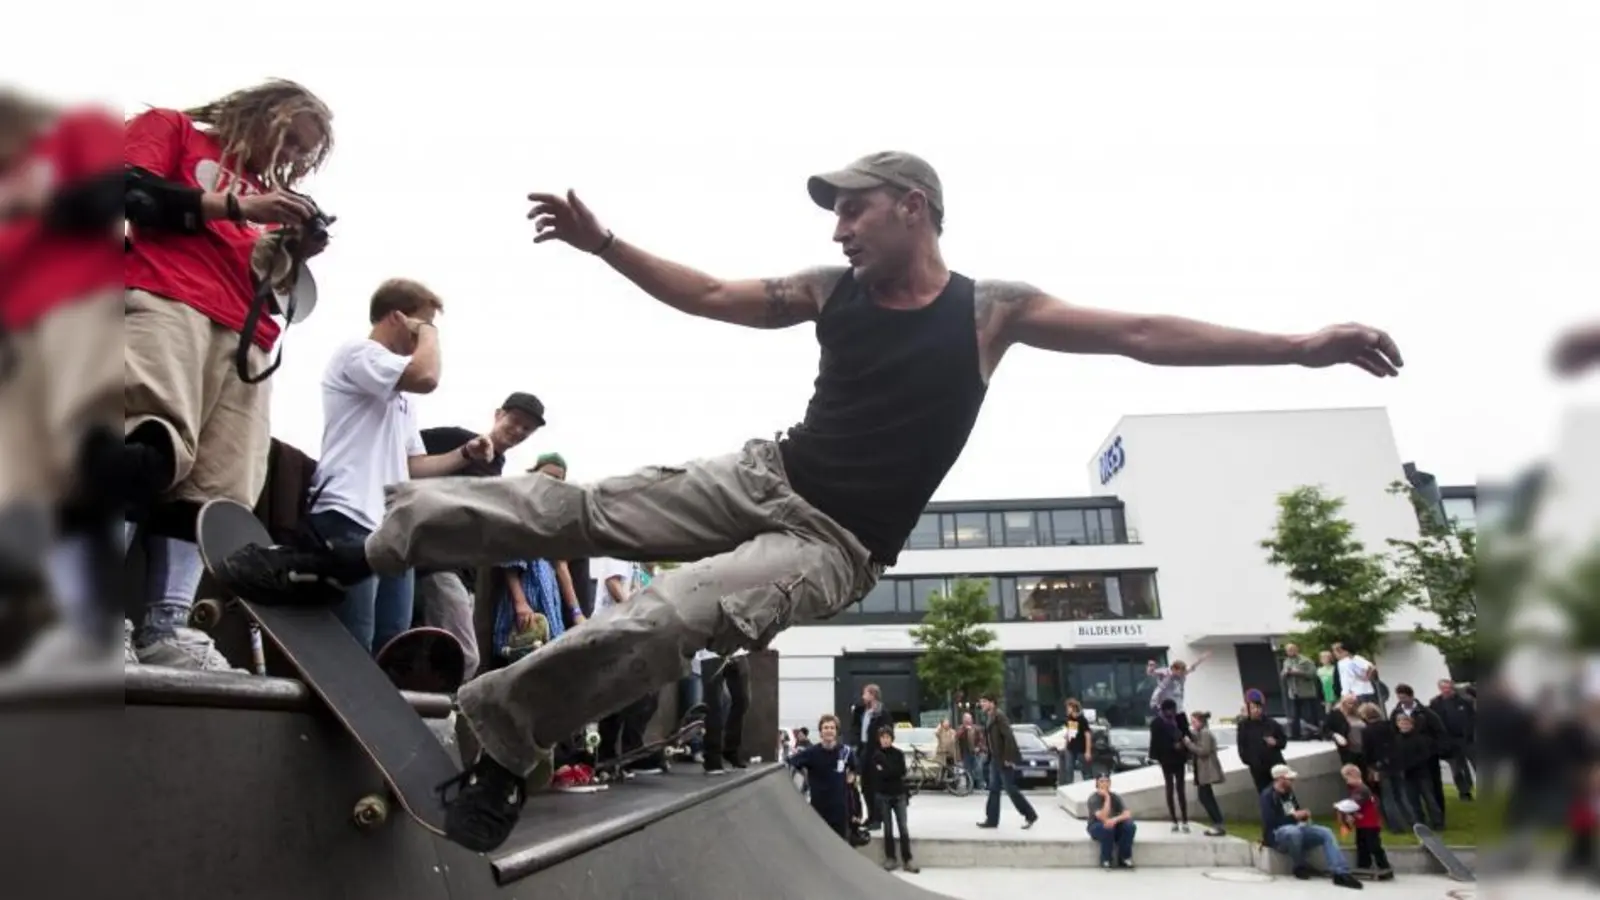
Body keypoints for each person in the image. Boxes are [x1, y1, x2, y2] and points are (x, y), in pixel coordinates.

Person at [215, 151, 1404, 852]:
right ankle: (349, 555)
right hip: (765, 474)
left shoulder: (991, 311)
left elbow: (1143, 332)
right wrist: (606, 243)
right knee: (553, 508)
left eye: (854, 209)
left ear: (916, 211)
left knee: (663, 622)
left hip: (833, 545)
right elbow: (716, 295)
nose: (836, 229)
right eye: (833, 216)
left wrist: (1299, 345)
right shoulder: (830, 288)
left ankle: (501, 743)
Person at [123, 79, 334, 669]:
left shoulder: (271, 198)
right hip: (167, 298)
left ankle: (166, 626)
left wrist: (294, 248)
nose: (289, 157)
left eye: (302, 152)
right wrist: (239, 206)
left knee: (214, 490)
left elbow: (270, 285)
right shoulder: (175, 129)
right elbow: (125, 191)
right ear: (258, 113)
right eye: (288, 137)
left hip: (245, 335)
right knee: (146, 441)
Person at [0, 93, 122, 665]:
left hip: (76, 312)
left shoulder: (74, 135)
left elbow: (111, 194)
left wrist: (41, 205)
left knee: (84, 462)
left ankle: (94, 620)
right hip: (19, 338)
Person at [310, 279, 494, 655]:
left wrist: (465, 454)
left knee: (393, 643)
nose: (424, 336)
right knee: (352, 643)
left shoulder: (400, 393)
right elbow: (427, 376)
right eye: (421, 324)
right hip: (348, 513)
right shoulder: (358, 353)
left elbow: (415, 466)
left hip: (391, 529)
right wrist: (429, 332)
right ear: (398, 318)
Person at [417, 393, 546, 678]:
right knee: (464, 656)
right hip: (438, 564)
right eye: (515, 421)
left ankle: (424, 714)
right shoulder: (459, 438)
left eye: (528, 429)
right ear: (498, 414)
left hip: (468, 574)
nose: (519, 431)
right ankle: (437, 717)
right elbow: (405, 448)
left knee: (435, 651)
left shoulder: (497, 469)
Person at [1259, 764, 1365, 889]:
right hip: (1277, 835)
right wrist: (1294, 817)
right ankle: (1300, 866)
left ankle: (1340, 872)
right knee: (1293, 832)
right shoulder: (1267, 796)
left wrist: (1303, 816)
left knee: (1325, 832)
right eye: (1290, 779)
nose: (1293, 781)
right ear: (1280, 779)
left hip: (1296, 828)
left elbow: (1294, 812)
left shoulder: (1289, 794)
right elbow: (1271, 822)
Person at [975, 693, 1038, 830]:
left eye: (984, 702)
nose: (982, 705)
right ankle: (991, 820)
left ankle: (1030, 815)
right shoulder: (990, 717)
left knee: (1011, 789)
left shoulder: (999, 716)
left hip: (1003, 759)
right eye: (981, 702)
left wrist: (1009, 758)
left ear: (992, 703)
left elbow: (1009, 737)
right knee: (993, 789)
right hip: (994, 759)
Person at [788, 714, 856, 839]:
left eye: (832, 728)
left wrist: (851, 777)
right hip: (818, 810)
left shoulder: (845, 751)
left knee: (839, 847)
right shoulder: (811, 753)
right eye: (825, 728)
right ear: (820, 732)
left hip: (839, 810)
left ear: (836, 731)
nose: (829, 730)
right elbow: (790, 763)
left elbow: (854, 768)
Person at [870, 726, 919, 873]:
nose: (885, 740)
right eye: (882, 737)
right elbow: (877, 775)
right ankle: (890, 858)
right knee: (888, 829)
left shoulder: (898, 754)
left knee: (903, 827)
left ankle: (907, 859)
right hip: (883, 795)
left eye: (887, 737)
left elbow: (900, 772)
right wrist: (889, 770)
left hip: (899, 795)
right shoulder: (876, 755)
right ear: (879, 739)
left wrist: (885, 768)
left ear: (892, 738)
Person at [1338, 763, 1394, 881]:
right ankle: (1363, 866)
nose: (1346, 782)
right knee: (1361, 845)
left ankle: (1384, 866)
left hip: (1370, 824)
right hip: (1362, 823)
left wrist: (1339, 807)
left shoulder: (1362, 790)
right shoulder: (1354, 789)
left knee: (1374, 845)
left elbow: (1353, 804)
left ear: (1353, 775)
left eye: (1346, 778)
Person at [1148, 697, 1191, 831]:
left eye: (1173, 710)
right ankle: (1173, 820)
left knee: (1181, 789)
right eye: (1169, 710)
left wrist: (1186, 750)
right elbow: (1155, 742)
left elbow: (1187, 734)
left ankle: (1184, 819)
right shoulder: (1156, 723)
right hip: (1166, 758)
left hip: (1179, 758)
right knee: (1169, 788)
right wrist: (1171, 747)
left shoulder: (1180, 719)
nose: (1171, 713)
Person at [849, 684, 888, 829]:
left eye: (865, 694)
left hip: (875, 750)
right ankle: (870, 816)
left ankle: (878, 818)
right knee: (865, 785)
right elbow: (855, 728)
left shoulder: (881, 713)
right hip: (863, 748)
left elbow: (887, 732)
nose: (862, 697)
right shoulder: (861, 711)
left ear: (873, 695)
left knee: (875, 786)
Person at [1183, 711, 1227, 836]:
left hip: (1207, 770)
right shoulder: (1201, 733)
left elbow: (1204, 751)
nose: (1193, 725)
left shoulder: (1205, 733)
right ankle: (1217, 823)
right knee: (1205, 797)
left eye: (1194, 722)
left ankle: (1218, 823)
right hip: (1203, 770)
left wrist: (1188, 744)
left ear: (1201, 722)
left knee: (1206, 797)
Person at [1237, 693, 1288, 792]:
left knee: (1284, 793)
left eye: (1258, 707)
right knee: (1265, 794)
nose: (1256, 710)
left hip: (1276, 766)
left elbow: (1283, 741)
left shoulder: (1272, 723)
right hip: (1258, 770)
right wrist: (1251, 762)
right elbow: (1242, 747)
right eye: (1253, 708)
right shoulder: (1243, 727)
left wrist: (1275, 742)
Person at [1085, 773, 1136, 870]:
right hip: (1096, 826)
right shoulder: (1093, 798)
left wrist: (1115, 819)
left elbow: (1127, 814)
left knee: (1130, 826)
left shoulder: (1115, 797)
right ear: (1097, 783)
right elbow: (1102, 816)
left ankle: (1125, 858)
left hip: (1114, 823)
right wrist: (1107, 798)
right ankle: (1106, 859)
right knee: (1107, 828)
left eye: (1107, 781)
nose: (1105, 784)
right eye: (1102, 781)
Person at [1280, 643, 1322, 738]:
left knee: (1310, 714)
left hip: (1307, 692)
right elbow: (1282, 676)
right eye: (1288, 650)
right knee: (1295, 715)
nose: (1290, 652)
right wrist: (1286, 673)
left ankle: (1315, 733)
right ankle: (1296, 734)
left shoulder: (1306, 661)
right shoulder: (1286, 662)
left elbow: (1313, 674)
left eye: (1292, 649)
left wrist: (1299, 672)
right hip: (1294, 693)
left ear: (1296, 649)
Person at [1147, 652, 1212, 714]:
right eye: (1179, 673)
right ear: (1173, 669)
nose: (1181, 675)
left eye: (1182, 673)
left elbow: (1192, 666)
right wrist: (1151, 666)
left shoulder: (1183, 672)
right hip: (1163, 703)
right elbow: (1151, 673)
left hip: (1177, 703)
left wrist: (1201, 659)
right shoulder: (1164, 672)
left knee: (1180, 720)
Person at [1060, 698, 1094, 785]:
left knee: (1085, 770)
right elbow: (1071, 734)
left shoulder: (1082, 720)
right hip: (1071, 748)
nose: (1067, 710)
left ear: (1073, 708)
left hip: (1081, 749)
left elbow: (1087, 735)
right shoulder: (1070, 719)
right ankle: (1069, 786)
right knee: (1068, 769)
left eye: (1068, 708)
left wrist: (1088, 751)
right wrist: (1065, 746)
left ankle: (1088, 786)